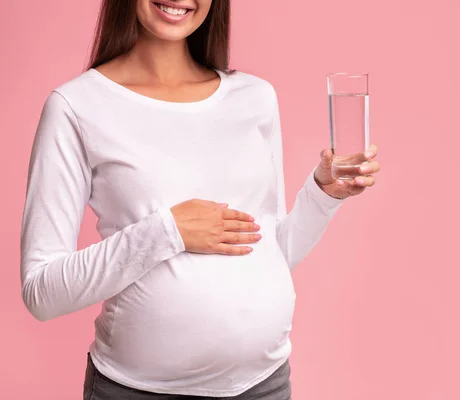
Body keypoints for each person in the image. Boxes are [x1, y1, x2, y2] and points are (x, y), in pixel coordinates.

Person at [19, 0, 381, 399]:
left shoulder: (255, 97)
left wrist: (322, 195)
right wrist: (166, 232)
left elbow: (270, 254)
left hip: (264, 386)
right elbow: (42, 292)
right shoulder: (78, 107)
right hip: (137, 391)